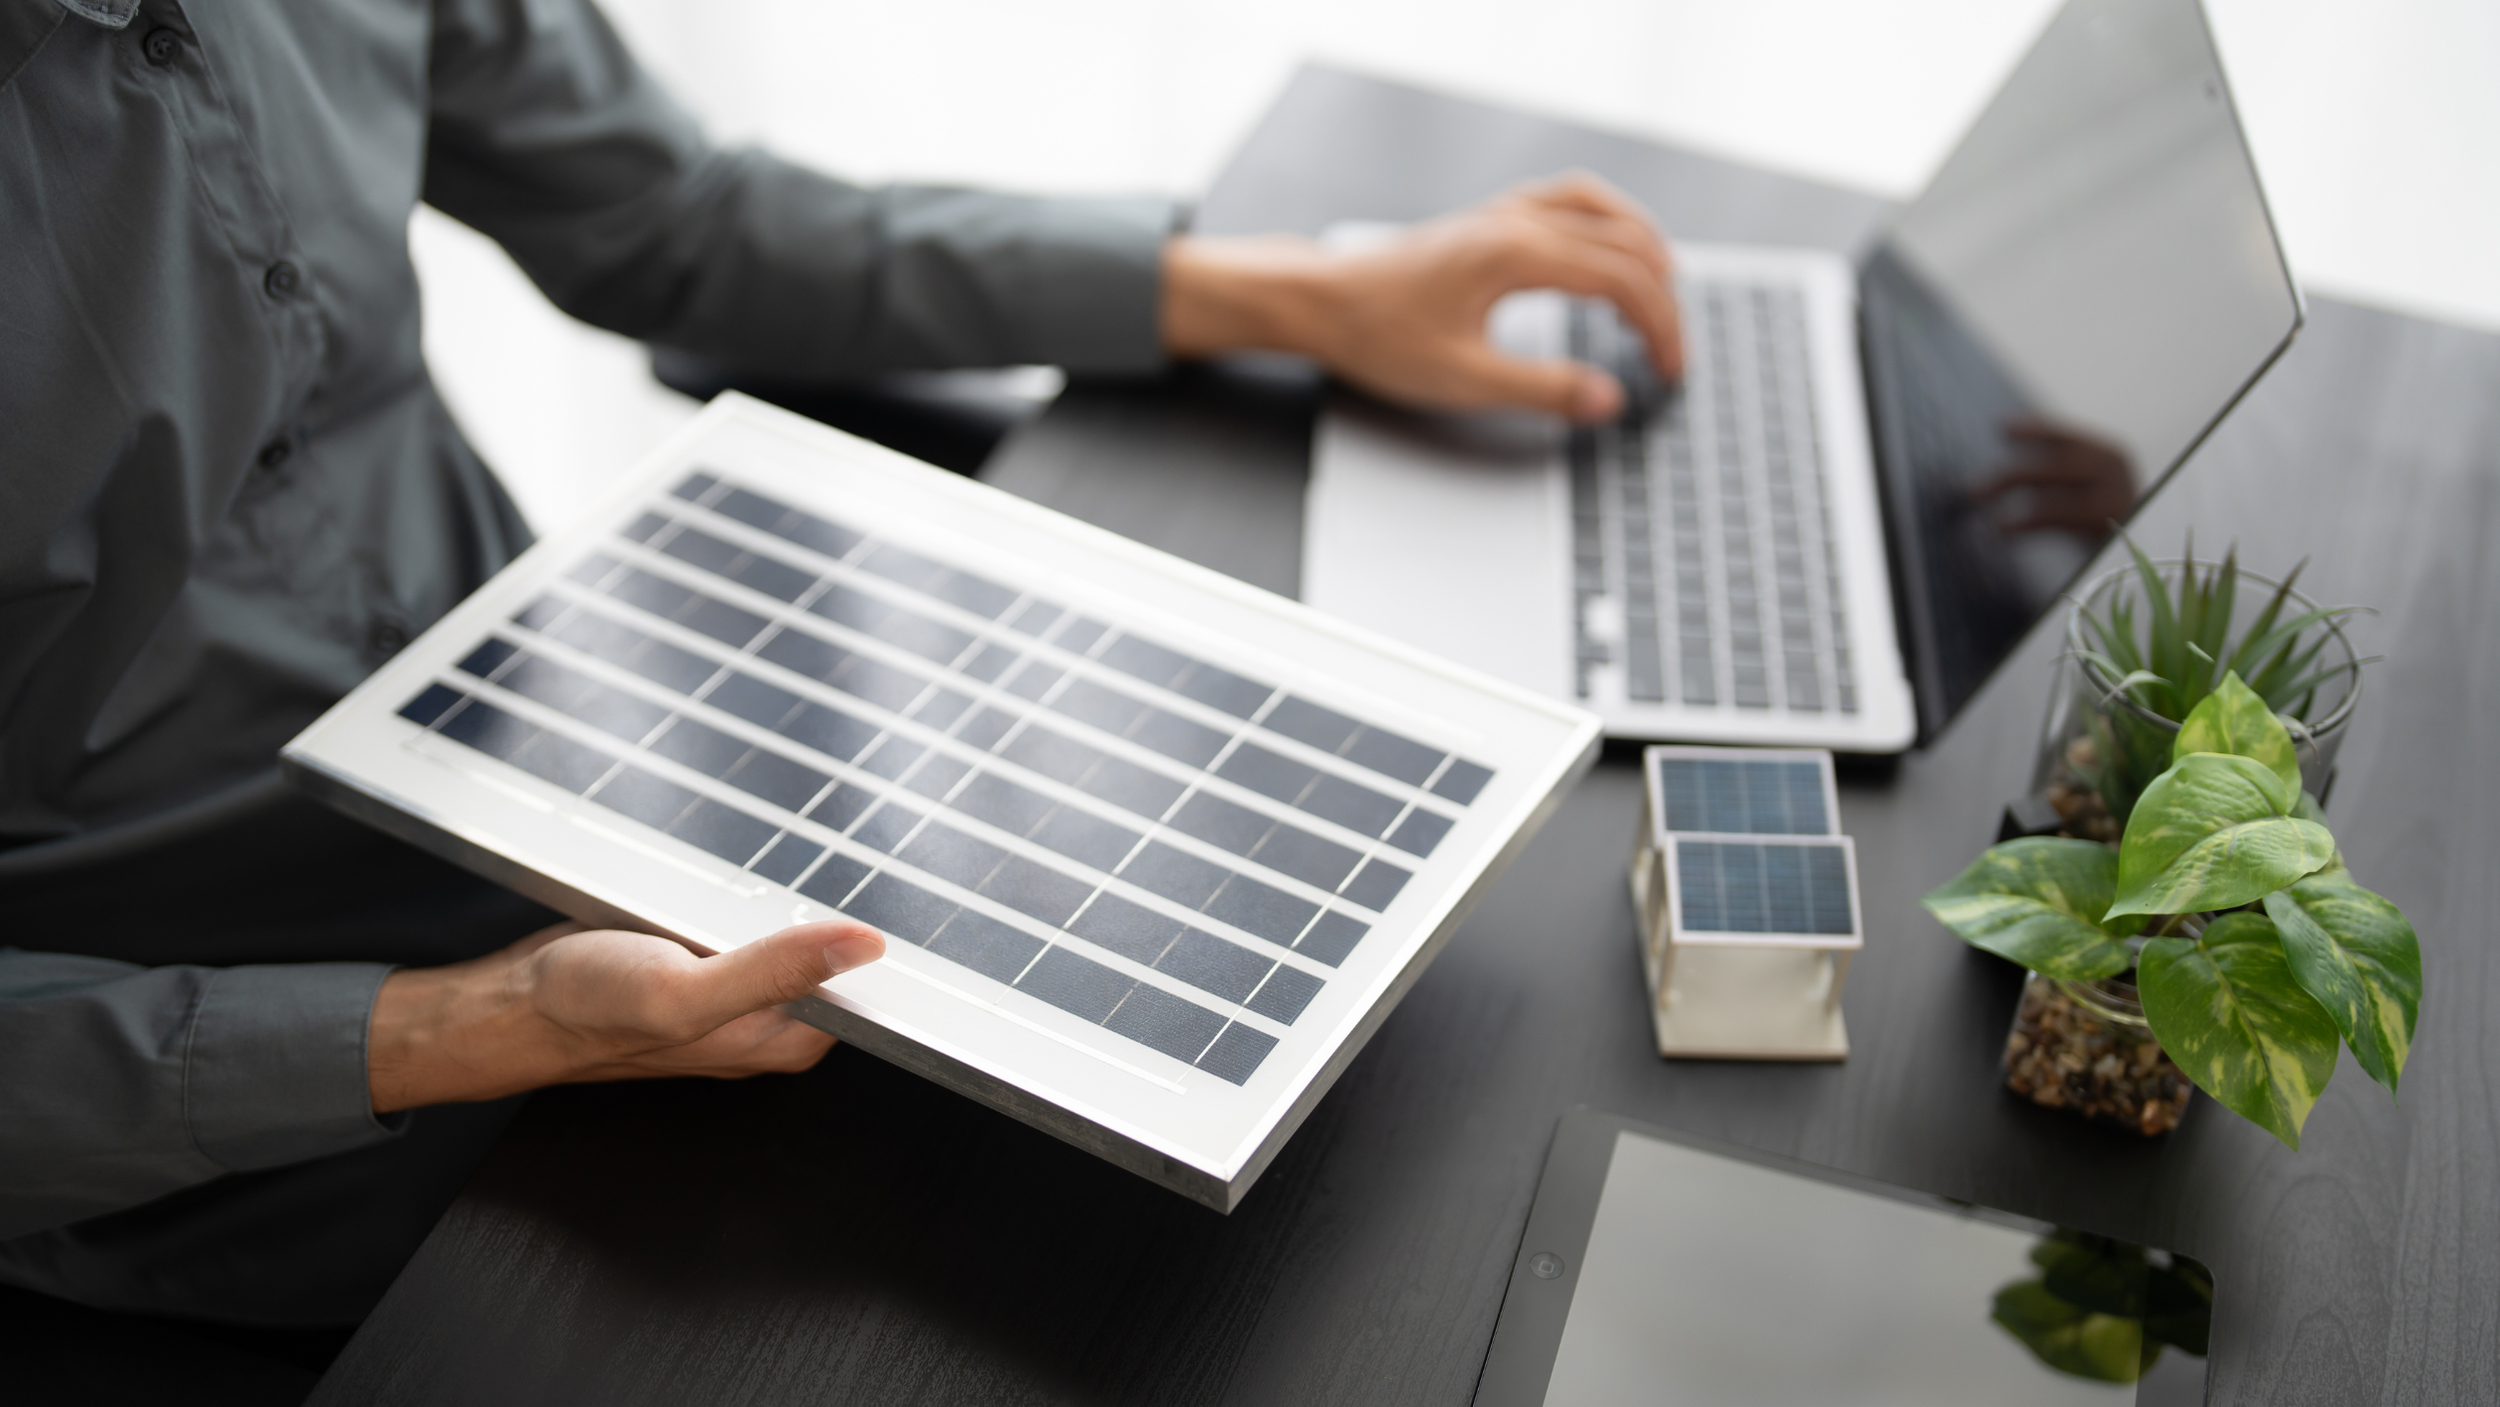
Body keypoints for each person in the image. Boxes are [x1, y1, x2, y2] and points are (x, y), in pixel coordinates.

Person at [0, 0, 1681, 1326]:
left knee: (1413, 1137)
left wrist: (1290, 293)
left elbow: (674, 219)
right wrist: (468, 1021)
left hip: (564, 762)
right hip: (236, 1062)